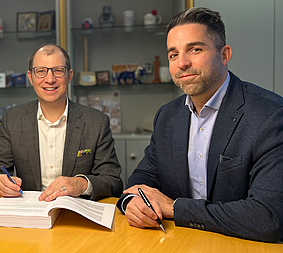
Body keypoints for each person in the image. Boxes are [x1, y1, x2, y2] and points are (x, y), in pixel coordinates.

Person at [117, 7, 283, 242]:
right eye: (173, 54)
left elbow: (267, 218)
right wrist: (133, 202)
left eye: (195, 49)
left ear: (224, 55)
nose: (182, 63)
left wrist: (173, 208)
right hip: (179, 242)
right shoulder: (167, 116)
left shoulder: (270, 115)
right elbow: (143, 177)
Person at [0, 44, 122, 201]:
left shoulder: (96, 122)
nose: (50, 79)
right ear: (30, 77)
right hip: (30, 214)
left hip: (75, 215)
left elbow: (113, 180)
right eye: (41, 71)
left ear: (69, 76)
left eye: (58, 71)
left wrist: (81, 184)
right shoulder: (13, 119)